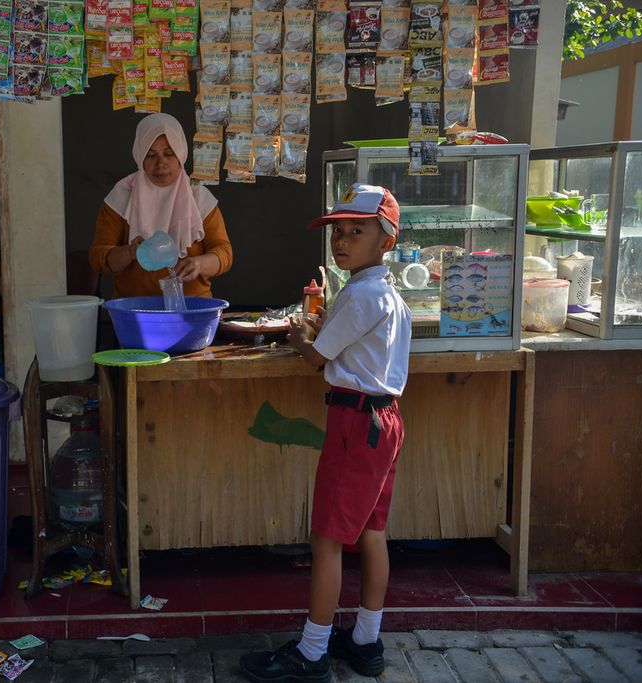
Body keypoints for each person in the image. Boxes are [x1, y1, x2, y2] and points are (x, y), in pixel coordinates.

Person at [240, 184, 412, 682]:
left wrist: (296, 336)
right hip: (384, 421)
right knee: (372, 533)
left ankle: (312, 652)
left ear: (386, 240)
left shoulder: (362, 295)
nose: (342, 240)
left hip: (355, 423)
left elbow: (318, 357)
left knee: (329, 540)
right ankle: (365, 641)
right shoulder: (387, 294)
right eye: (338, 231)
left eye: (357, 231)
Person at [89, 113, 233, 298]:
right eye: (150, 155)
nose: (161, 163)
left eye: (169, 153)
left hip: (192, 310)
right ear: (140, 156)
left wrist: (199, 264)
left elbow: (224, 253)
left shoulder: (198, 198)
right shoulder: (121, 198)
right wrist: (130, 252)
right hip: (135, 311)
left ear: (181, 154)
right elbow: (98, 257)